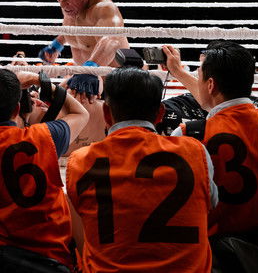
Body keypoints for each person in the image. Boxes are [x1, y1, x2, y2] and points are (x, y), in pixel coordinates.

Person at [66, 67, 216, 272]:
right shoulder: (195, 151)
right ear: (160, 113)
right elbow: (211, 206)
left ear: (106, 113)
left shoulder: (82, 161)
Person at [166, 41, 258, 258]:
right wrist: (180, 73)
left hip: (225, 257)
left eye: (198, 75)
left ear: (210, 85)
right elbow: (225, 104)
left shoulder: (191, 135)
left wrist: (179, 73)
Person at [0, 69, 89, 272]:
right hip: (51, 258)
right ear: (17, 108)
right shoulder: (43, 137)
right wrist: (40, 81)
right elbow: (81, 113)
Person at [37, 0, 129, 103]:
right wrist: (56, 45)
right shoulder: (70, 6)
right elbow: (71, 28)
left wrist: (90, 69)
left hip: (111, 81)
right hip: (82, 76)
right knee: (50, 101)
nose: (62, 5)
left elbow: (112, 40)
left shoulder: (104, 8)